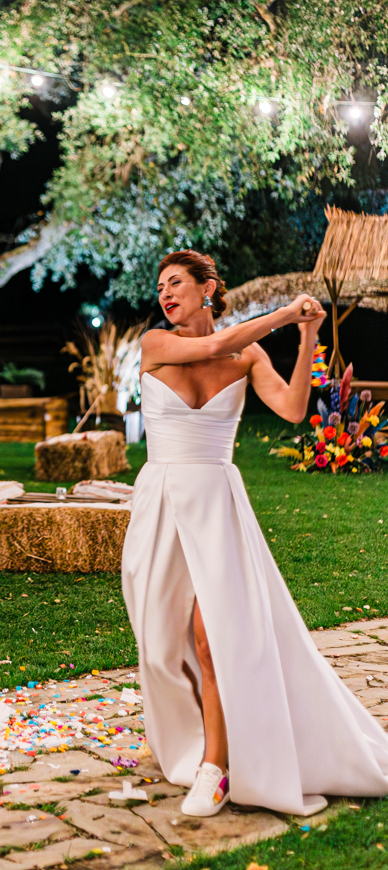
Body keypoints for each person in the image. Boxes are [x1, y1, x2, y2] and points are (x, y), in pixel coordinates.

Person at [121, 249, 388, 818]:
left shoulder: (249, 356)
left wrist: (309, 334)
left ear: (208, 289)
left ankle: (216, 766)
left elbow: (292, 410)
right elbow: (215, 345)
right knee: (160, 642)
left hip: (216, 505)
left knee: (211, 637)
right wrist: (287, 312)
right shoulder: (156, 345)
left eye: (177, 283)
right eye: (160, 285)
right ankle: (192, 741)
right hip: (160, 505)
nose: (165, 294)